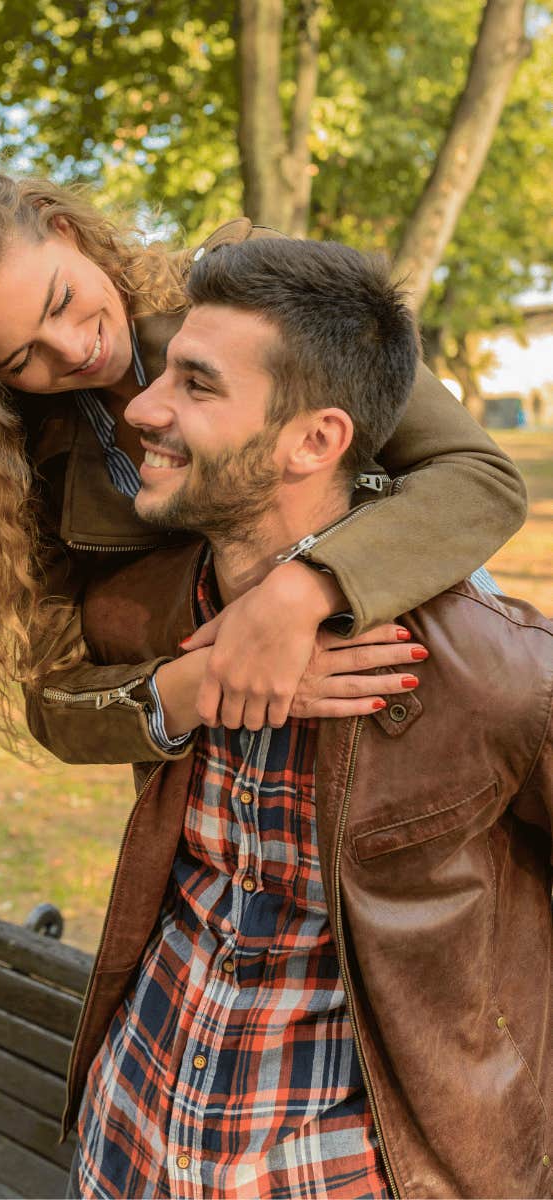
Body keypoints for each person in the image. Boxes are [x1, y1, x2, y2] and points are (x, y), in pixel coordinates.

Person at [56, 236, 553, 1200]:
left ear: (316, 441)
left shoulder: (490, 675)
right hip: (125, 1133)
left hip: (348, 1166)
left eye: (196, 386)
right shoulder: (142, 614)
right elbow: (49, 706)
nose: (142, 408)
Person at [0, 160, 526, 763]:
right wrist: (218, 677)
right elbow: (57, 699)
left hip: (426, 702)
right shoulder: (22, 468)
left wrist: (303, 592)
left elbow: (477, 478)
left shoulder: (249, 289)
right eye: (20, 358)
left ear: (64, 232)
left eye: (63, 300)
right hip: (222, 783)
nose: (71, 350)